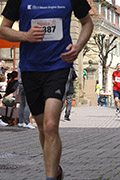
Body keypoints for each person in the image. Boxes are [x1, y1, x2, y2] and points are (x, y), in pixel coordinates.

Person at [0, 1, 93, 179]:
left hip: (59, 65)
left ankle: (50, 176)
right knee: (43, 127)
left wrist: (78, 47)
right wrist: (25, 36)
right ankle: (54, 169)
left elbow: (87, 22)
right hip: (31, 69)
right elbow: (3, 28)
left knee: (51, 125)